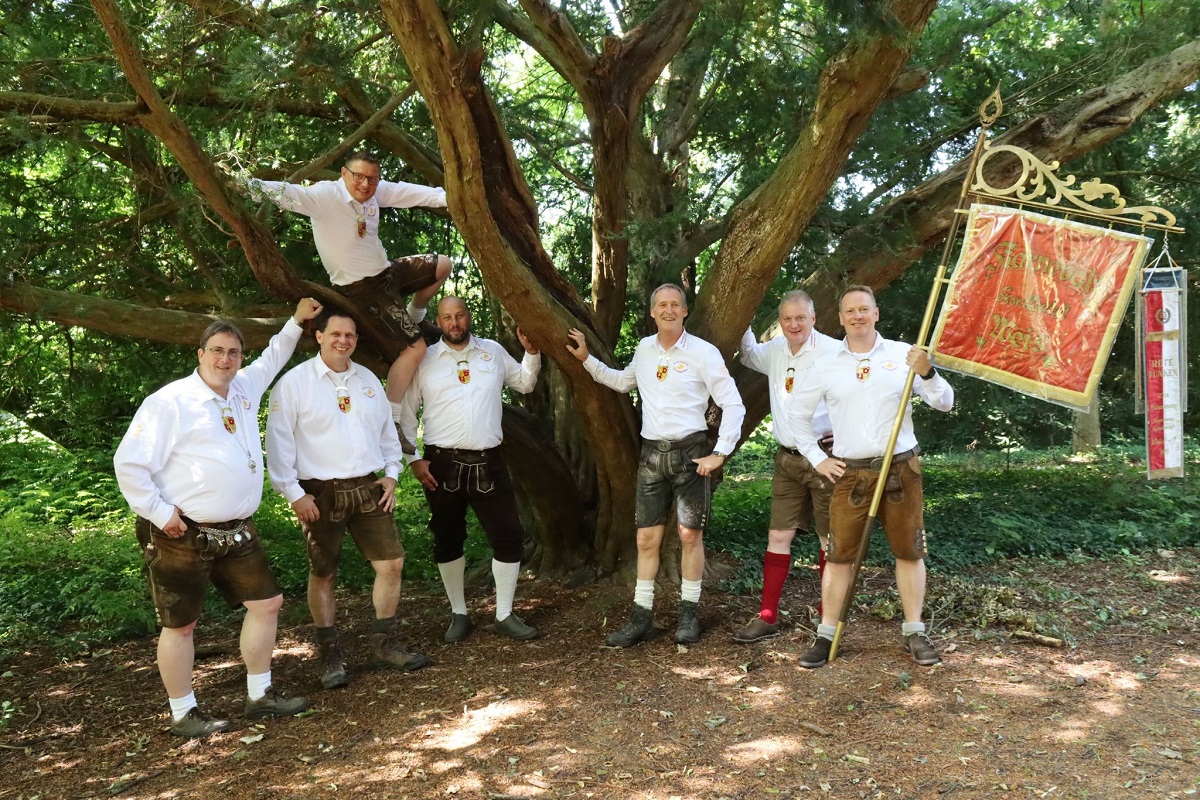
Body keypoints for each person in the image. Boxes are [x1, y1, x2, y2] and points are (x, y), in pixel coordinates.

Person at [114, 298, 321, 737]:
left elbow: (275, 356)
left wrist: (297, 322)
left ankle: (260, 695)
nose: (225, 359)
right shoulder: (170, 402)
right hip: (179, 531)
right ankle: (183, 713)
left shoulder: (244, 387)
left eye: (233, 352)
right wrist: (159, 512)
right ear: (200, 354)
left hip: (236, 530)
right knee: (181, 624)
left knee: (267, 604)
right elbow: (128, 464)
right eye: (217, 351)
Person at [567, 284, 745, 646]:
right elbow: (621, 382)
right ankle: (641, 618)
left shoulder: (703, 352)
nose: (668, 310)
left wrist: (720, 452)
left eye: (675, 305)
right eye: (662, 305)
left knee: (689, 536)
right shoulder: (644, 350)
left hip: (691, 455)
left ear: (684, 311)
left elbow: (734, 404)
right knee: (646, 539)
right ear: (653, 312)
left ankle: (689, 614)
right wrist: (587, 359)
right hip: (651, 457)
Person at [789, 285, 954, 668]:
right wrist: (817, 458)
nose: (857, 316)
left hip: (901, 469)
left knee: (909, 552)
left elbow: (945, 403)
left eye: (864, 309)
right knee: (838, 557)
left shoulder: (904, 355)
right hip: (852, 474)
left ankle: (915, 631)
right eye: (850, 311)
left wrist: (927, 372)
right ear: (841, 317)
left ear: (876, 313)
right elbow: (797, 415)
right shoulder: (826, 364)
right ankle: (826, 635)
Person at [266, 308, 429, 690]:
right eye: (336, 334)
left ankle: (384, 644)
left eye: (351, 335)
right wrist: (294, 494)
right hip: (319, 493)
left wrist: (391, 474)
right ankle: (329, 654)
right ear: (319, 336)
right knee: (324, 573)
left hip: (369, 488)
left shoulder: (367, 380)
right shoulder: (294, 384)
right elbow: (278, 445)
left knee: (392, 563)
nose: (344, 341)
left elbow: (387, 435)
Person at [245, 150, 452, 427]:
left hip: (388, 272)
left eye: (373, 179)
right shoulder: (324, 197)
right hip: (364, 290)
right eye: (359, 177)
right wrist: (244, 185)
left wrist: (446, 197)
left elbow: (406, 193)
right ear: (344, 174)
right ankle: (391, 419)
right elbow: (288, 193)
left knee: (443, 265)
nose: (366, 184)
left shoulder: (374, 191)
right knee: (415, 349)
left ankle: (414, 316)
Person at [399, 296, 543, 642]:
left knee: (508, 536)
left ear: (469, 316)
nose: (454, 322)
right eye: (447, 317)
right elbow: (406, 412)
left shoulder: (492, 352)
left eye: (460, 315)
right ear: (439, 320)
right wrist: (413, 459)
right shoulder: (425, 358)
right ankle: (459, 614)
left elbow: (525, 382)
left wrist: (532, 352)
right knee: (448, 538)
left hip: (489, 461)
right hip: (440, 464)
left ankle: (505, 614)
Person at [732, 290, 840, 643]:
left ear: (814, 319)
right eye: (787, 319)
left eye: (800, 318)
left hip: (825, 460)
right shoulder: (775, 350)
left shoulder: (833, 351)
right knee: (779, 535)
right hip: (788, 460)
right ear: (780, 321)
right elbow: (747, 353)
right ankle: (767, 616)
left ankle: (829, 617)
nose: (794, 324)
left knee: (829, 540)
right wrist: (741, 312)